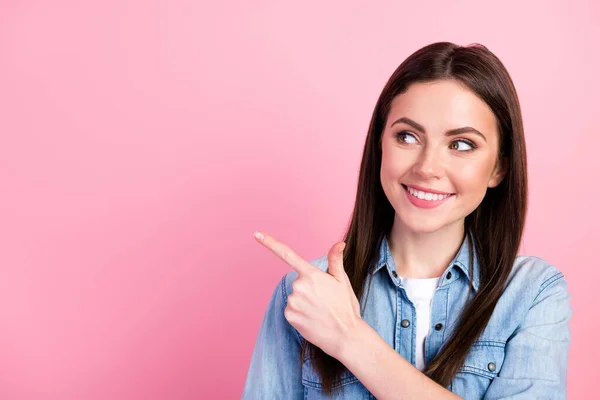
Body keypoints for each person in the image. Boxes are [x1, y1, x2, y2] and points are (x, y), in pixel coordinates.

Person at [241, 42, 571, 399]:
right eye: (407, 136)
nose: (427, 168)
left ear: (499, 167)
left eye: (461, 144)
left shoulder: (532, 292)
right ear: (380, 144)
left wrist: (350, 338)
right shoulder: (306, 293)